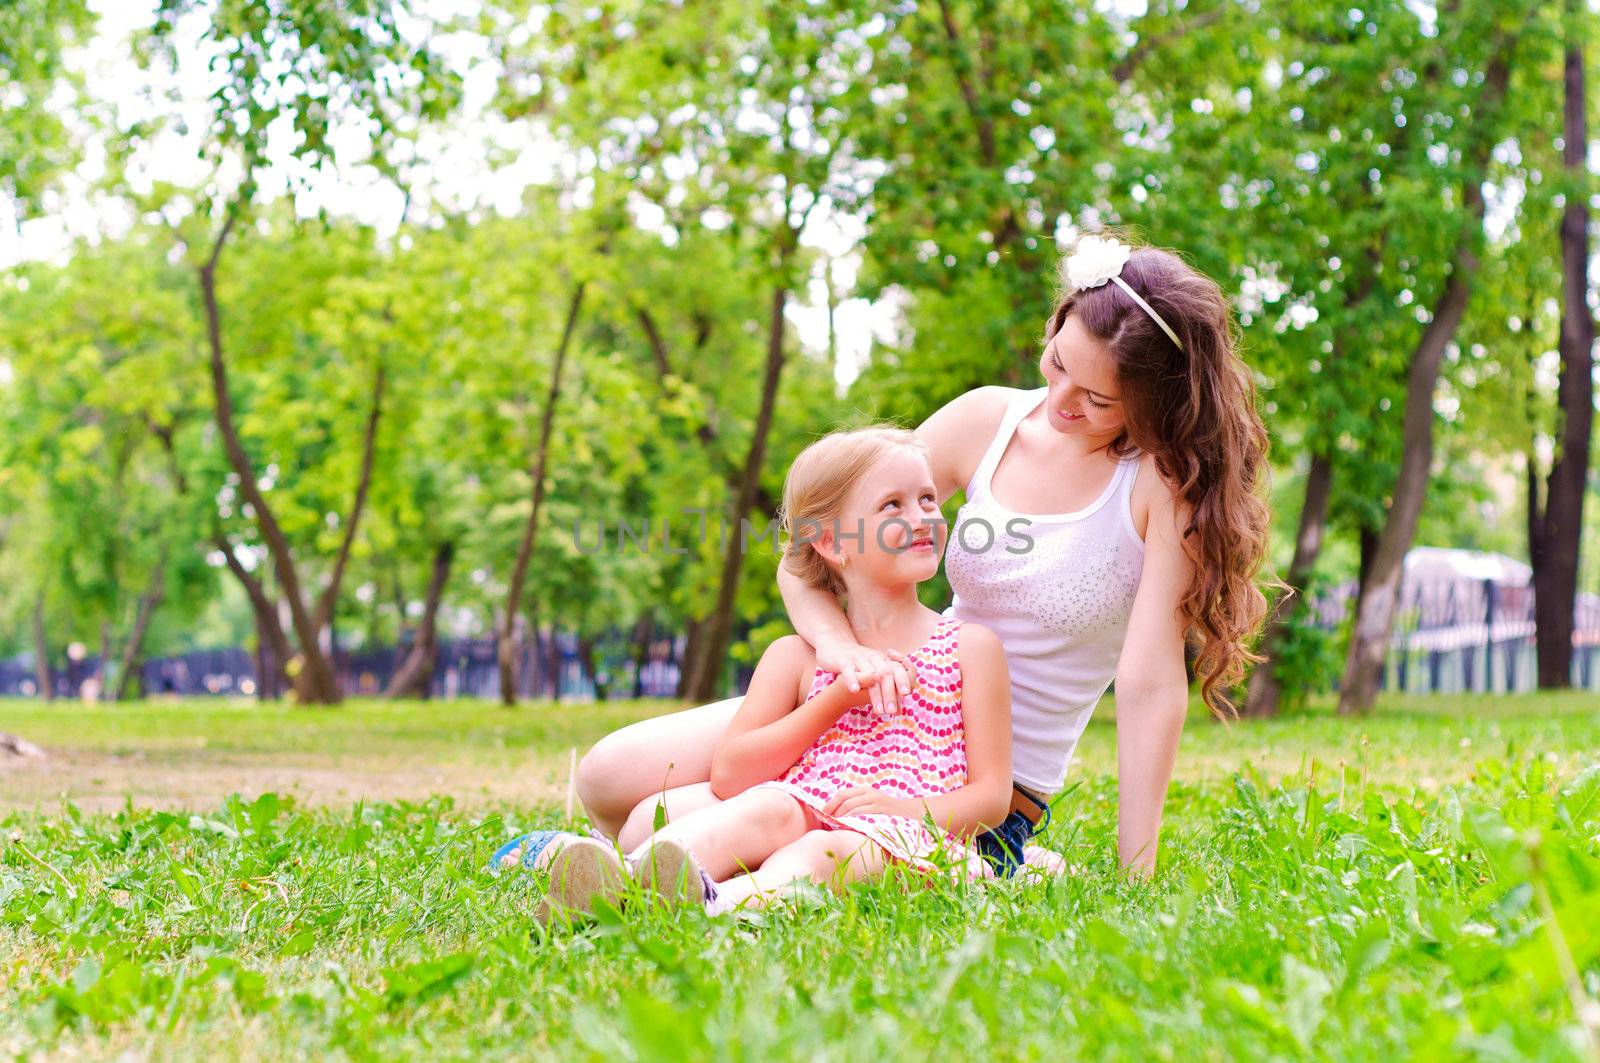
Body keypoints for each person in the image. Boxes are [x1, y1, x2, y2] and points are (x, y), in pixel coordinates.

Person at [564, 234, 1271, 879]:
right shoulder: (989, 418)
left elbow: (1149, 683)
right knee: (609, 777)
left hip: (974, 770)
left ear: (1152, 401)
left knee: (761, 837)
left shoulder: (1159, 486)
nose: (1058, 400)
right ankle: (644, 870)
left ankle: (994, 858)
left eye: (1096, 399)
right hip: (878, 703)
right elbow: (811, 542)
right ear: (1055, 327)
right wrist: (843, 650)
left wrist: (1136, 870)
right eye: (1057, 364)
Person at [498, 427, 1012, 917]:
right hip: (803, 805)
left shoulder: (968, 647)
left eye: (927, 499)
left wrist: (903, 809)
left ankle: (714, 907)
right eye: (892, 505)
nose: (922, 516)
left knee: (820, 853)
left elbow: (991, 797)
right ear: (833, 544)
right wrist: (833, 701)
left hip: (903, 837)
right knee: (765, 809)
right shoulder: (796, 657)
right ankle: (623, 883)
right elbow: (732, 773)